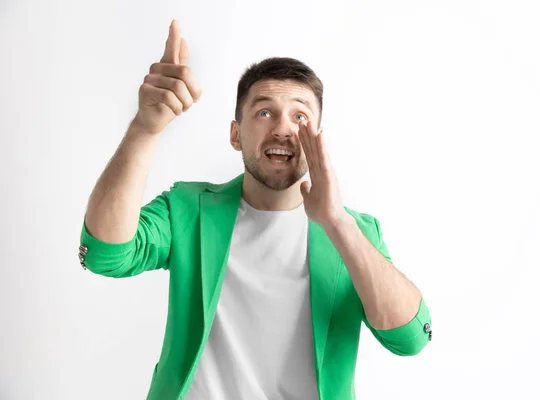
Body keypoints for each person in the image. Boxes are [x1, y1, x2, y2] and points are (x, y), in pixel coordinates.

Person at [78, 19, 432, 400]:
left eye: (300, 116)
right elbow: (104, 255)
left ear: (318, 138)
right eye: (265, 113)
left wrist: (337, 222)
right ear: (236, 134)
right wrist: (145, 128)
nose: (283, 129)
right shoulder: (188, 210)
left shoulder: (355, 232)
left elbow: (409, 339)